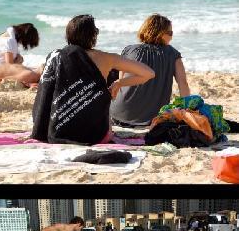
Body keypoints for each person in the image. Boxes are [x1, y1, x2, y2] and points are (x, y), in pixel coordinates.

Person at [32, 14, 155, 145]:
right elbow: (148, 73)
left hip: (57, 129)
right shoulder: (107, 58)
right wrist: (119, 83)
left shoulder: (57, 57)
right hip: (97, 134)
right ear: (93, 35)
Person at [110, 13, 190, 127]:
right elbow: (183, 84)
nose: (172, 37)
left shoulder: (129, 50)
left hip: (119, 115)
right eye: (170, 33)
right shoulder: (173, 54)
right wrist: (186, 111)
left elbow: (121, 82)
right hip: (152, 119)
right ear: (160, 34)